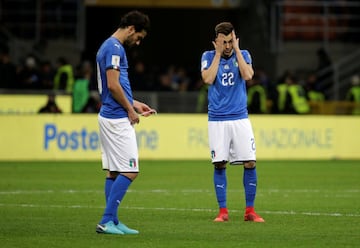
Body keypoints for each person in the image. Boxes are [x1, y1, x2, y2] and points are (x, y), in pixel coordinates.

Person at [95, 10, 156, 235]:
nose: (137, 42)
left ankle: (113, 221)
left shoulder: (107, 46)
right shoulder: (115, 48)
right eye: (138, 37)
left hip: (110, 115)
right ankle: (105, 220)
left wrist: (136, 103)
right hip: (116, 118)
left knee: (114, 172)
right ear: (131, 28)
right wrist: (130, 110)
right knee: (131, 171)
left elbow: (115, 86)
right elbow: (112, 84)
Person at [200, 22, 264, 223]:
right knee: (219, 164)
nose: (227, 46)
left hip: (240, 118)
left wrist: (237, 50)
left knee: (250, 162)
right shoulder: (208, 57)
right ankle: (223, 212)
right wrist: (218, 55)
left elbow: (248, 75)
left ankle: (250, 211)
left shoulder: (243, 54)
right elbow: (208, 79)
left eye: (230, 42)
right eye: (223, 42)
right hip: (217, 119)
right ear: (216, 42)